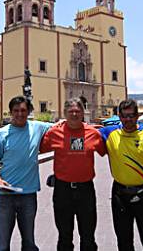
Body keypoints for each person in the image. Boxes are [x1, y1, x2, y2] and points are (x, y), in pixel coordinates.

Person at [99, 99, 143, 251]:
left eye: (131, 115)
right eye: (124, 116)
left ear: (137, 116)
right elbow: (84, 132)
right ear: (119, 116)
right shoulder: (110, 133)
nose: (128, 119)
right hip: (119, 194)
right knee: (124, 241)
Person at [39, 97, 107, 251]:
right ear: (64, 113)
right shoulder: (54, 132)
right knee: (64, 237)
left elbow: (107, 151)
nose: (74, 114)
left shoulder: (93, 133)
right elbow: (36, 147)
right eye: (71, 112)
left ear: (83, 113)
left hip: (86, 190)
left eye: (78, 111)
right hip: (63, 190)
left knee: (88, 237)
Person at [0, 96, 51, 251]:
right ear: (11, 112)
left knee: (29, 243)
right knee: (2, 245)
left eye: (23, 110)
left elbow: (62, 126)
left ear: (28, 111)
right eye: (16, 111)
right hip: (5, 196)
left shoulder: (37, 127)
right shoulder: (2, 134)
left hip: (28, 195)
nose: (19, 114)